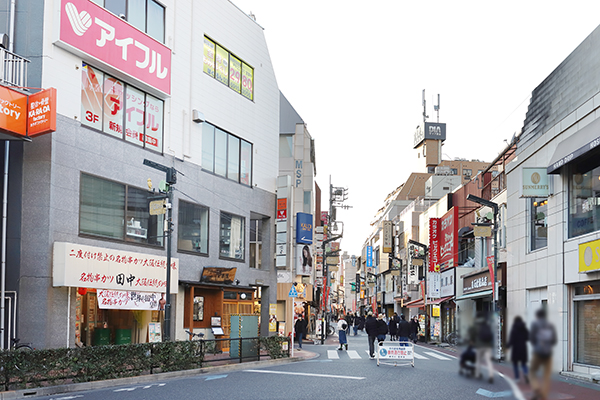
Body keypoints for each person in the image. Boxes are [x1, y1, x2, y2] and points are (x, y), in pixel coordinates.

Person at [529, 308, 557, 400]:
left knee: (532, 371)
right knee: (546, 376)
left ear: (537, 316)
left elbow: (532, 338)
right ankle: (544, 396)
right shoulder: (550, 325)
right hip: (548, 353)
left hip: (538, 353)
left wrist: (537, 345)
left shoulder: (535, 325)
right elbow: (554, 340)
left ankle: (536, 388)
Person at [469, 312, 495, 383]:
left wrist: (472, 342)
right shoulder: (486, 324)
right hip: (487, 345)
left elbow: (472, 335)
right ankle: (491, 375)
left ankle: (477, 375)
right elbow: (491, 335)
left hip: (479, 345)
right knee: (488, 361)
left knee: (478, 360)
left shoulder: (475, 325)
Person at [506, 315, 529, 384]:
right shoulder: (524, 328)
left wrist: (507, 347)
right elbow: (528, 337)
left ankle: (517, 378)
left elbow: (511, 340)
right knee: (523, 363)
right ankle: (526, 373)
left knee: (515, 364)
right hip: (523, 348)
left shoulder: (514, 329)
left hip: (516, 349)